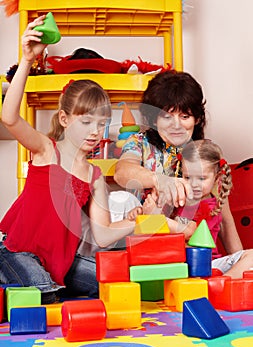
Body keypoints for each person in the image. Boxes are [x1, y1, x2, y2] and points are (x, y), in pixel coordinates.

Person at [0, 15, 141, 303]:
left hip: (60, 262)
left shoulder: (94, 177)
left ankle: (46, 285)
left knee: (113, 283)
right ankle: (28, 285)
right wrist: (27, 61)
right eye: (86, 122)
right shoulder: (46, 149)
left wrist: (135, 221)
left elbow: (102, 235)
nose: (95, 132)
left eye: (102, 124)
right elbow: (9, 117)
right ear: (64, 119)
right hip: (15, 251)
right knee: (44, 292)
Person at [114, 70, 243, 256]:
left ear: (197, 119)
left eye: (185, 116)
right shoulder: (139, 142)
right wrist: (160, 180)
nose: (176, 125)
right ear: (154, 119)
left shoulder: (203, 154)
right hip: (144, 242)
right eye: (167, 116)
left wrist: (239, 264)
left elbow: (223, 218)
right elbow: (122, 172)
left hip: (187, 251)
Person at [138, 139, 253, 278]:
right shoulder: (185, 198)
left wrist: (239, 261)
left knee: (250, 256)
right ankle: (220, 283)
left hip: (210, 264)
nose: (194, 184)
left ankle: (223, 282)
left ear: (217, 178)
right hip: (185, 264)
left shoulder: (211, 201)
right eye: (187, 177)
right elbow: (187, 231)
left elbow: (232, 244)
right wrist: (150, 213)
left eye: (202, 178)